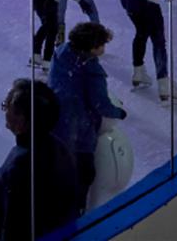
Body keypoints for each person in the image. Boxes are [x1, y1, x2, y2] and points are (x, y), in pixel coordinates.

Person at [0, 79, 80, 241]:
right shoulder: (58, 148)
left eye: (7, 107)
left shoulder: (21, 168)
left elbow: (15, 228)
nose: (5, 111)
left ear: (23, 122)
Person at [49, 23, 129, 213]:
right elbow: (100, 103)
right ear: (92, 47)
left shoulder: (61, 52)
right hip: (78, 132)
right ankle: (77, 217)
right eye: (102, 44)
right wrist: (120, 113)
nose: (103, 48)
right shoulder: (92, 71)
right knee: (83, 176)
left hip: (53, 124)